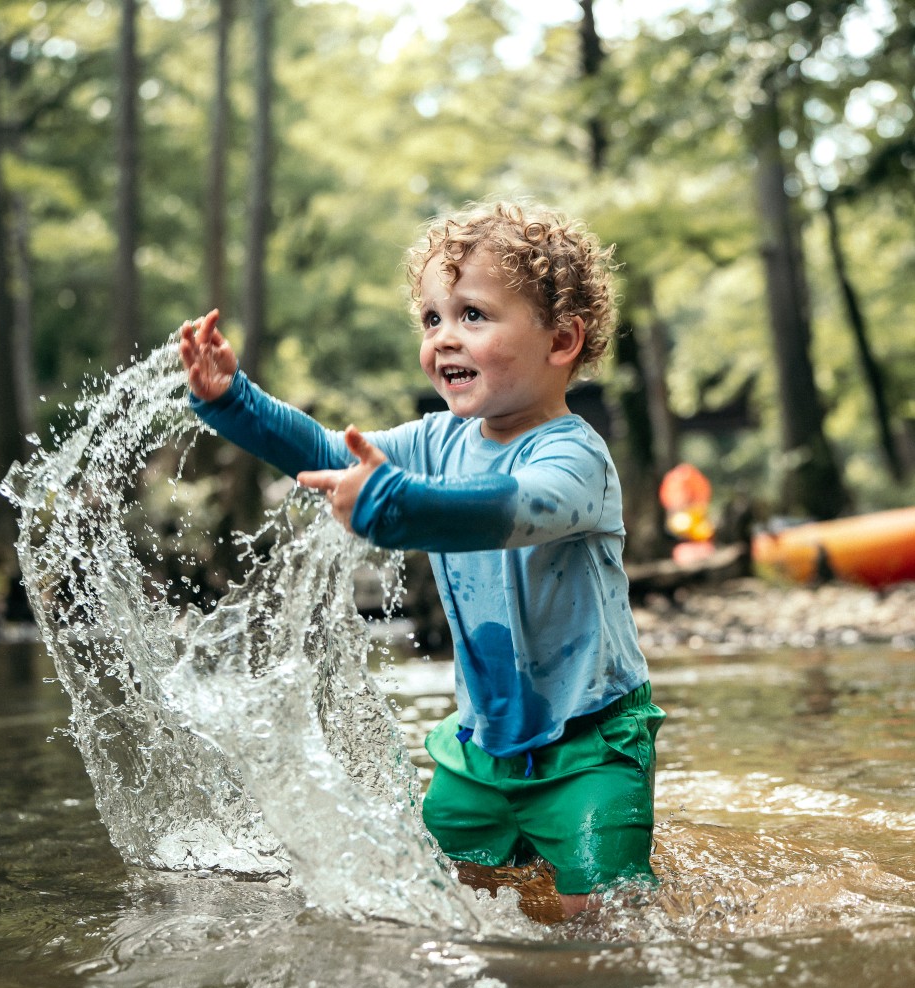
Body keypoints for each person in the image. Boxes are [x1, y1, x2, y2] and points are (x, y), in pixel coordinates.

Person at [179, 201, 665, 921]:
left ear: (562, 339)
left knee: (599, 927)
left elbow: (510, 510)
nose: (444, 339)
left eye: (473, 315)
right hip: (479, 751)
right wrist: (233, 401)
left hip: (592, 744)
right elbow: (326, 455)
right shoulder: (440, 441)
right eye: (432, 319)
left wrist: (392, 505)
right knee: (437, 904)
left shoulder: (575, 456)